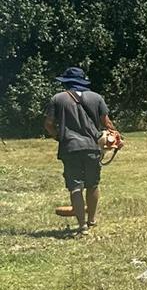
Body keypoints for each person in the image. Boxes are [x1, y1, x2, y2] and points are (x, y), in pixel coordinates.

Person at [43, 67, 118, 236]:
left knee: (75, 187)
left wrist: (58, 136)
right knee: (93, 184)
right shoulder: (97, 97)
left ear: (66, 82)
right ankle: (92, 220)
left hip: (70, 147)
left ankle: (82, 226)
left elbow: (48, 124)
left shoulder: (58, 98)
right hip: (93, 147)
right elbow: (107, 123)